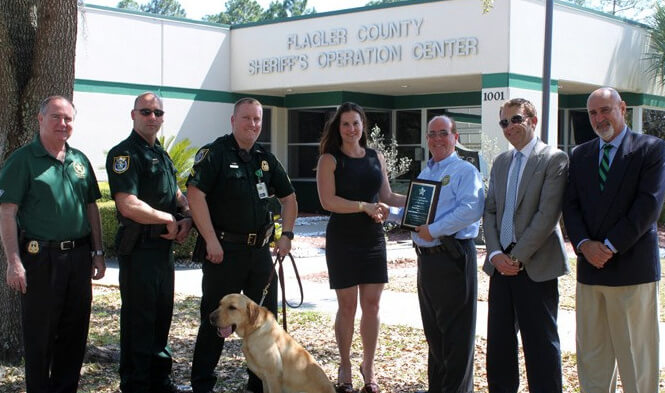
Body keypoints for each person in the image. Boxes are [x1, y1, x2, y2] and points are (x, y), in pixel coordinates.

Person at [187, 97, 297, 393]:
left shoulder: (264, 158)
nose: (253, 124)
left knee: (264, 321)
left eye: (258, 120)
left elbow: (289, 199)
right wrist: (210, 240)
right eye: (247, 118)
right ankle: (202, 386)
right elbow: (195, 195)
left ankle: (259, 385)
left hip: (259, 254)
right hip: (224, 252)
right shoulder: (215, 154)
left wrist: (286, 235)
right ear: (233, 120)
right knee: (215, 320)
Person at [0, 96, 106, 393]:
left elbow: (91, 208)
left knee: (74, 334)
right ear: (40, 119)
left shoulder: (79, 160)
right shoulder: (23, 160)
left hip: (78, 258)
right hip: (39, 259)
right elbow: (7, 212)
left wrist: (97, 253)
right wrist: (13, 261)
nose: (63, 124)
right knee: (40, 336)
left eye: (68, 119)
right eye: (56, 117)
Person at [563, 87, 665, 393]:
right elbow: (571, 206)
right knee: (593, 357)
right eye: (593, 113)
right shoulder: (580, 154)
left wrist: (608, 247)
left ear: (622, 107)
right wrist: (583, 245)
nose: (599, 118)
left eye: (605, 110)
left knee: (636, 357)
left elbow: (648, 205)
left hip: (632, 269)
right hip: (590, 271)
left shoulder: (651, 149)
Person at [106, 92, 193, 393]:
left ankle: (160, 381)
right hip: (139, 250)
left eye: (158, 113)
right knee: (139, 320)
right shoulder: (124, 154)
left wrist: (188, 215)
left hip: (162, 252)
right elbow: (127, 204)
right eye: (146, 112)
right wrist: (167, 218)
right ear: (133, 115)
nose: (152, 117)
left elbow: (177, 194)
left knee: (161, 318)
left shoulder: (162, 155)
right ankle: (136, 383)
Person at [316, 102, 405, 393]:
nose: (352, 129)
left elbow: (388, 196)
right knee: (347, 307)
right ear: (338, 128)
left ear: (363, 125)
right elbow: (328, 201)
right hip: (343, 240)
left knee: (372, 305)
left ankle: (369, 365)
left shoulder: (375, 157)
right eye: (346, 124)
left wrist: (425, 195)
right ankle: (345, 364)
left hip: (372, 240)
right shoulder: (329, 160)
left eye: (356, 123)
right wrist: (363, 206)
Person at [482, 98, 569, 392]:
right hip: (500, 266)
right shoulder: (501, 162)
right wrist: (496, 254)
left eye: (515, 119)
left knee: (541, 346)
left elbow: (547, 216)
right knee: (499, 345)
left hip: (535, 265)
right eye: (504, 122)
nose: (509, 127)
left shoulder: (554, 159)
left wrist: (516, 257)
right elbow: (491, 210)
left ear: (532, 120)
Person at [411, 115, 484, 393]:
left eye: (443, 133)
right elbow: (415, 215)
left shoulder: (465, 171)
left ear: (456, 138)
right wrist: (387, 211)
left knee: (456, 336)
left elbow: (471, 209)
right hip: (427, 262)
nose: (437, 139)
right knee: (435, 334)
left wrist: (436, 230)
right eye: (432, 134)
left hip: (453, 257)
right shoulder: (426, 173)